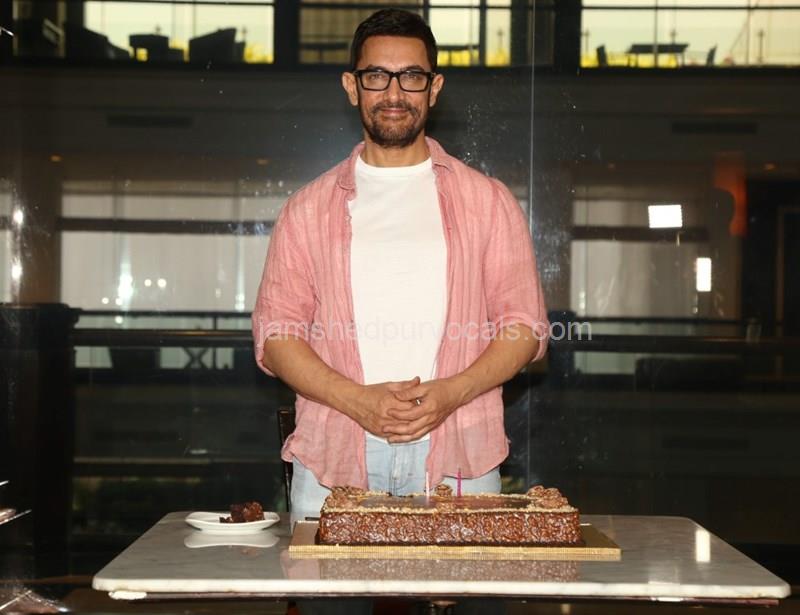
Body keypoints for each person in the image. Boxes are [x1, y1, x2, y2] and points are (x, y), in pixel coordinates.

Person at [252, 8, 548, 525]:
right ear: (352, 86)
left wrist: (450, 394)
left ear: (434, 88)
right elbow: (276, 337)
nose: (394, 92)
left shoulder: (489, 201)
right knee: (322, 585)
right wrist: (356, 401)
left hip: (460, 446)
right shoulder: (306, 209)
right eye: (376, 76)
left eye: (411, 75)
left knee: (464, 583)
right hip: (333, 450)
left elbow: (524, 328)